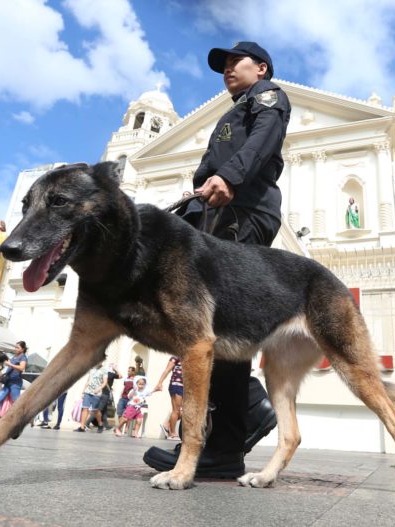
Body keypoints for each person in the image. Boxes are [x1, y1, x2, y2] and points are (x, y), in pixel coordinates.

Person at [143, 41, 288, 478]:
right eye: (222, 65)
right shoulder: (232, 111)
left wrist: (230, 177)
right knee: (202, 321)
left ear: (260, 67)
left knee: (218, 321)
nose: (226, 69)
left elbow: (263, 142)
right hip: (215, 211)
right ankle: (238, 416)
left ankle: (226, 439)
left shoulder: (269, 97)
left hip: (241, 211)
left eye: (234, 62)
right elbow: (212, 165)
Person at [85, 363, 120, 430]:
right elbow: (120, 376)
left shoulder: (102, 373)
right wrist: (116, 369)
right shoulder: (110, 374)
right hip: (105, 394)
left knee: (104, 410)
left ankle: (106, 425)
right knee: (98, 410)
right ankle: (87, 423)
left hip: (98, 393)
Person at [155, 356, 183, 439]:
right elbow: (167, 370)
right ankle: (172, 433)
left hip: (185, 387)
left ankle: (167, 424)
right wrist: (160, 383)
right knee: (176, 410)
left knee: (184, 412)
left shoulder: (188, 358)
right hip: (176, 385)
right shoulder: (175, 357)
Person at [74, 363, 107, 433]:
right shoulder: (92, 369)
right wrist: (83, 391)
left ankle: (100, 424)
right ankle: (82, 427)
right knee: (85, 408)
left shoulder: (104, 370)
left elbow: (105, 382)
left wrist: (99, 388)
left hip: (96, 393)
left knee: (95, 410)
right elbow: (88, 380)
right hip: (88, 391)